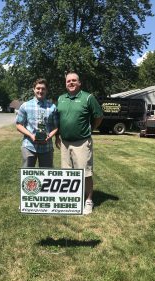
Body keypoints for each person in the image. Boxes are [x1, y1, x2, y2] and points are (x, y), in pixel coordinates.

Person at [56, 72, 103, 214]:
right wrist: (57, 135)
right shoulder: (61, 98)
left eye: (74, 80)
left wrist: (91, 129)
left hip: (82, 142)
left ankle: (88, 201)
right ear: (65, 83)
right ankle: (71, 199)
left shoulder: (88, 97)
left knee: (85, 173)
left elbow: (99, 116)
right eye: (68, 81)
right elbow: (59, 119)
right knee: (67, 172)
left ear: (79, 83)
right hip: (64, 142)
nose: (71, 83)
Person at [16, 78, 58, 167]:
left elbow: (56, 127)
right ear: (33, 89)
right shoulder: (25, 106)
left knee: (46, 176)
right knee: (27, 176)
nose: (40, 91)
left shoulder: (52, 107)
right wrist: (31, 135)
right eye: (38, 88)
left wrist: (49, 136)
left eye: (43, 89)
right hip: (29, 146)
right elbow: (18, 125)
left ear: (46, 90)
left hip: (47, 147)